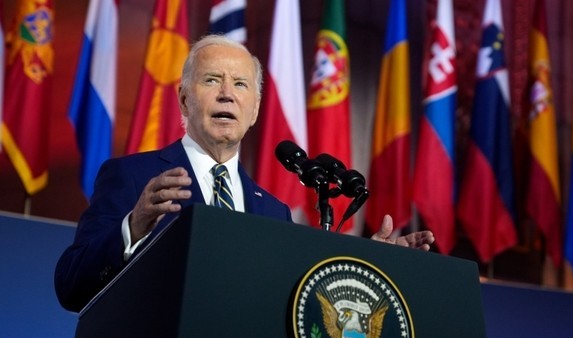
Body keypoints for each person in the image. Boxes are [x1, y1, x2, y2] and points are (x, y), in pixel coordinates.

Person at [55, 35, 434, 313]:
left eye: (240, 85)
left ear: (254, 111)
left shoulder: (273, 212)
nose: (226, 94)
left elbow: (294, 307)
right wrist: (134, 226)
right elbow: (71, 286)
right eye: (211, 80)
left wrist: (369, 265)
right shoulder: (133, 176)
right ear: (184, 98)